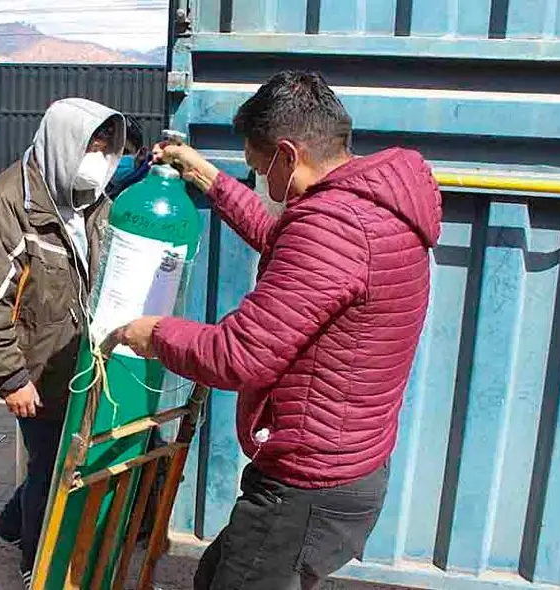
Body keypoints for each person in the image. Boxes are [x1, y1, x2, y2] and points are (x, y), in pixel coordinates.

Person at [121, 71, 443, 589]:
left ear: (288, 156)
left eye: (257, 167)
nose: (261, 182)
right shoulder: (375, 209)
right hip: (348, 469)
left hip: (305, 488)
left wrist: (155, 333)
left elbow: (239, 354)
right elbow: (287, 246)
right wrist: (209, 179)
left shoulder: (332, 227)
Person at [0, 98, 124, 588]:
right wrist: (10, 377)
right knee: (50, 471)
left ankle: (6, 525)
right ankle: (37, 567)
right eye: (91, 146)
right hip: (38, 374)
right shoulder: (3, 206)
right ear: (62, 144)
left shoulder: (91, 201)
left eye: (105, 148)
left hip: (82, 365)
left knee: (63, 463)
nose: (99, 158)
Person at [105, 114, 152, 199]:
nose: (115, 158)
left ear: (141, 154)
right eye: (109, 151)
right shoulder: (103, 186)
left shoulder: (149, 192)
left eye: (123, 152)